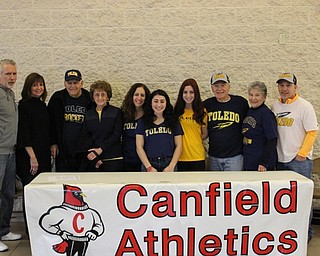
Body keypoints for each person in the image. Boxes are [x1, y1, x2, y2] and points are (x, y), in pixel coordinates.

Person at [271, 73, 319, 242]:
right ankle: (287, 235)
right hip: (280, 160)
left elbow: (312, 132)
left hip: (298, 162)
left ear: (295, 87)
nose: (284, 89)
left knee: (303, 199)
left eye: (288, 85)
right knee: (284, 201)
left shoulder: (304, 106)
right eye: (281, 85)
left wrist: (301, 155)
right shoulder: (275, 106)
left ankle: (305, 234)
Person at [203, 72, 249, 171]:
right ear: (211, 88)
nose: (219, 89)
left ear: (229, 86)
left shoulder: (241, 103)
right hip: (214, 157)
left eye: (223, 85)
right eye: (216, 86)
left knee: (234, 185)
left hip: (235, 157)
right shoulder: (206, 105)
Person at [48, 69, 92, 172]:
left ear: (81, 83)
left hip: (84, 151)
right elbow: (50, 123)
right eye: (69, 83)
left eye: (75, 83)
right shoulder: (57, 98)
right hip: (63, 151)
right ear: (64, 83)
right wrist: (53, 142)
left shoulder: (89, 99)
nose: (72, 86)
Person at [0, 59, 21, 252]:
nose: (12, 77)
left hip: (11, 152)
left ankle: (4, 230)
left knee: (7, 194)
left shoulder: (10, 93)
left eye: (14, 74)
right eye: (8, 74)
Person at [136, 89, 183, 172]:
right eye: (156, 101)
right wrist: (149, 167)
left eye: (162, 101)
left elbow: (179, 145)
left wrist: (171, 166)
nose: (159, 104)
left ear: (166, 103)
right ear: (151, 103)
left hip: (169, 163)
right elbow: (139, 147)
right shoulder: (142, 122)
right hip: (149, 163)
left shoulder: (174, 121)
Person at [80, 80, 123, 172]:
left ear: (108, 96)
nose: (100, 98)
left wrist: (100, 149)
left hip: (113, 158)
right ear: (92, 97)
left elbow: (116, 135)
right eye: (97, 94)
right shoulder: (88, 114)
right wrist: (94, 157)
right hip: (95, 159)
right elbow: (86, 137)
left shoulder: (116, 112)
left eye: (103, 94)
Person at [16, 73, 51, 185]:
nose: (39, 88)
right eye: (35, 85)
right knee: (31, 189)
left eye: (41, 84)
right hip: (29, 156)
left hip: (43, 154)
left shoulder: (42, 105)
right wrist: (33, 158)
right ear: (28, 87)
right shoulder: (23, 105)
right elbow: (24, 133)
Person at [242, 81, 278, 171]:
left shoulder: (266, 114)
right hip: (249, 161)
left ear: (264, 97)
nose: (253, 98)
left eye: (257, 95)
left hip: (261, 166)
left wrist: (264, 163)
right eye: (251, 95)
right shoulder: (249, 111)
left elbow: (272, 139)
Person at [174, 78, 208, 171]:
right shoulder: (176, 112)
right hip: (180, 157)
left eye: (191, 92)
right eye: (185, 92)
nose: (188, 95)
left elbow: (204, 134)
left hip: (197, 156)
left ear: (196, 94)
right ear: (181, 94)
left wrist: (193, 139)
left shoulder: (202, 112)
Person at [121, 83, 150, 171]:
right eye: (136, 94)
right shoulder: (123, 114)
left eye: (142, 95)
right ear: (131, 96)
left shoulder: (149, 117)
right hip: (126, 159)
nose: (139, 98)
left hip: (144, 161)